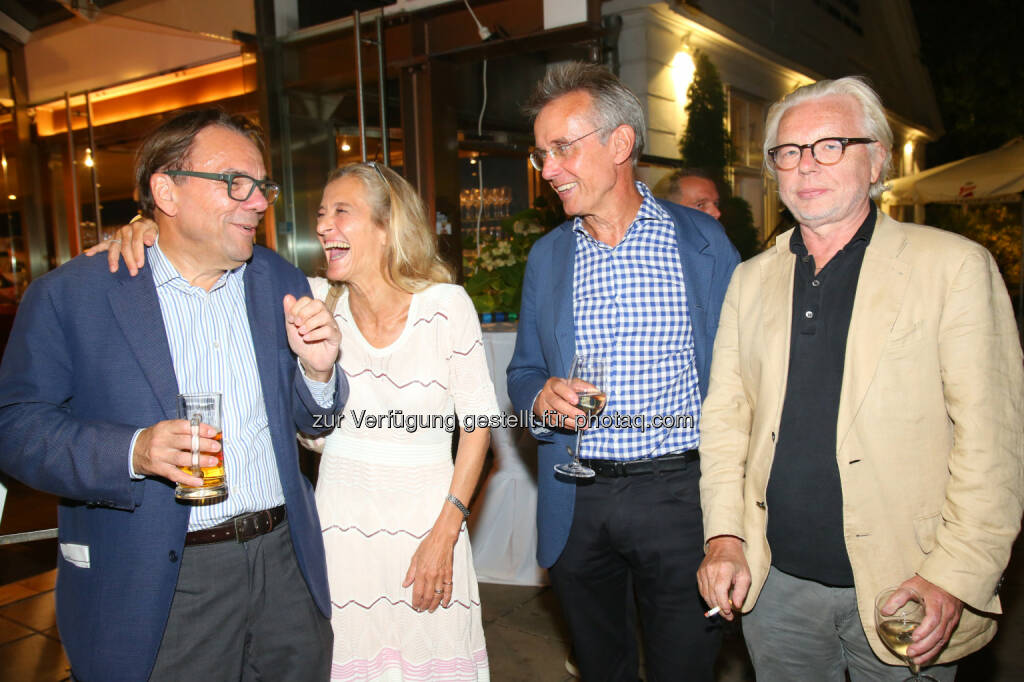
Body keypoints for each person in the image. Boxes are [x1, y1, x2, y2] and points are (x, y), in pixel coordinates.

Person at [94, 161, 498, 680]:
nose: (323, 225)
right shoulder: (309, 301)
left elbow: (479, 427)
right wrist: (149, 227)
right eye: (321, 213)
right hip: (337, 530)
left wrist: (446, 531)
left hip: (429, 521)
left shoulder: (446, 306)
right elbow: (208, 256)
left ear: (386, 226)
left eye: (341, 212)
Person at [0, 109, 346, 682]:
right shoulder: (74, 296)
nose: (258, 201)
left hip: (284, 561)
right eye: (235, 183)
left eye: (262, 186)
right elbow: (15, 427)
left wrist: (318, 374)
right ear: (166, 190)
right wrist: (131, 451)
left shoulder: (277, 280)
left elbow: (317, 417)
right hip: (165, 575)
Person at [696, 76, 1024, 681]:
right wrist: (724, 536)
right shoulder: (750, 280)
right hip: (776, 587)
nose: (806, 166)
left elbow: (993, 443)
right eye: (789, 152)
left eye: (830, 145)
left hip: (907, 586)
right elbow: (725, 420)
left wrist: (953, 575)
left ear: (876, 160)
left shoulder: (952, 267)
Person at [506, 62, 739, 681]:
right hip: (576, 497)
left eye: (562, 149)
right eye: (541, 155)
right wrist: (539, 397)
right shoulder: (548, 256)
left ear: (620, 144)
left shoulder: (704, 246)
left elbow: (745, 382)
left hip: (679, 498)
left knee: (684, 669)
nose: (548, 169)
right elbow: (523, 371)